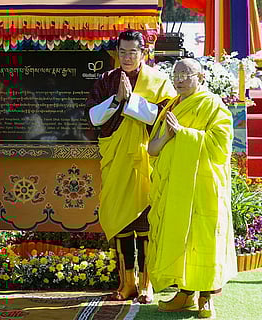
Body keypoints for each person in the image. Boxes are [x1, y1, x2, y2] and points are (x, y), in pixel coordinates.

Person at [85, 30, 176, 303]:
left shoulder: (158, 80)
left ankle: (146, 284)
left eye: (132, 52)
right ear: (117, 53)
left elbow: (166, 115)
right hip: (116, 161)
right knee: (121, 221)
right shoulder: (107, 80)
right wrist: (115, 99)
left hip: (146, 158)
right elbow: (93, 117)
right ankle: (127, 284)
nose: (127, 58)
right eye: (122, 52)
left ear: (144, 53)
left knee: (146, 222)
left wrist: (131, 101)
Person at [147, 58, 237, 318]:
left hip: (204, 186)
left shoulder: (213, 105)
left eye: (187, 74)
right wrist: (170, 135)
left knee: (204, 239)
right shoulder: (171, 108)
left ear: (201, 78)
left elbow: (221, 146)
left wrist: (185, 134)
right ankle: (184, 294)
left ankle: (206, 297)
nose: (181, 79)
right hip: (175, 185)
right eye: (177, 74)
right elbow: (153, 148)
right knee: (180, 237)